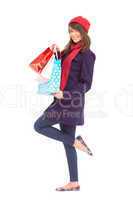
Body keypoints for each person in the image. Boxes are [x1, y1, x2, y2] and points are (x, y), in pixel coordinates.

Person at [34, 16, 96, 191]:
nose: (74, 34)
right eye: (71, 31)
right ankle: (74, 182)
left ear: (84, 32)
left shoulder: (88, 55)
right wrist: (56, 53)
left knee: (39, 126)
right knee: (67, 142)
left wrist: (65, 94)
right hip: (60, 99)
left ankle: (75, 142)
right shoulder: (69, 50)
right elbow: (61, 69)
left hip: (70, 102)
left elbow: (86, 84)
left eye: (77, 30)